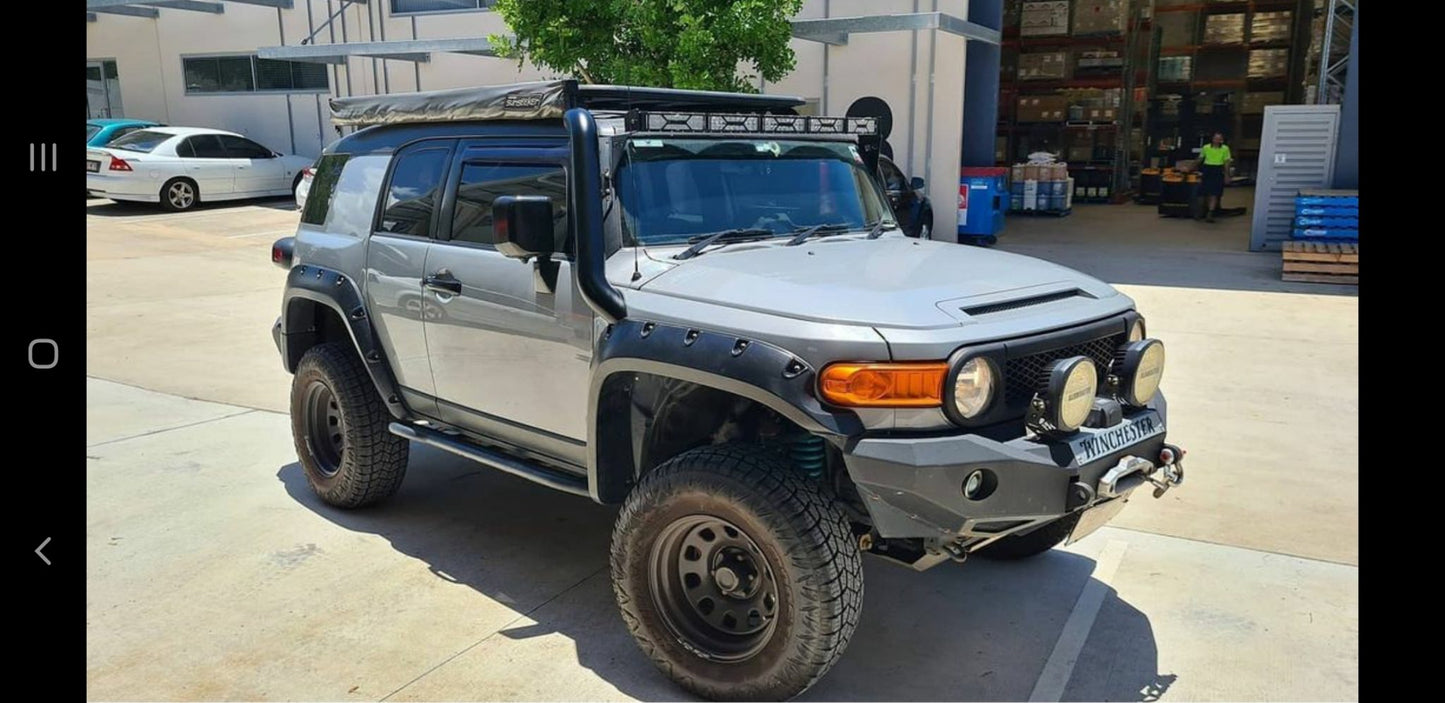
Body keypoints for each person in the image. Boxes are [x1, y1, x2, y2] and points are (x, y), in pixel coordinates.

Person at [1198, 132, 1232, 223]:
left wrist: (1227, 175)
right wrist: (1190, 168)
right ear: (1212, 139)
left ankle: (1210, 213)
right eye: (1216, 138)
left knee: (1215, 193)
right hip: (1207, 170)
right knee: (1203, 193)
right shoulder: (1206, 147)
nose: (1217, 140)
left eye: (1219, 139)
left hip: (1218, 170)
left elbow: (1227, 163)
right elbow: (1200, 159)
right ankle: (1202, 211)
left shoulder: (1225, 149)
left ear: (1222, 140)